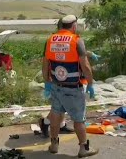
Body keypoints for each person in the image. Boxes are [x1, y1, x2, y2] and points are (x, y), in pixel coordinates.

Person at [42, 14, 98, 157]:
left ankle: (54, 145)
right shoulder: (76, 40)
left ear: (61, 26)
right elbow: (84, 66)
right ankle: (83, 149)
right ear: (74, 26)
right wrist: (90, 84)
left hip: (56, 86)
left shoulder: (50, 40)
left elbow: (45, 63)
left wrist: (47, 82)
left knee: (55, 115)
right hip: (73, 88)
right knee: (79, 119)